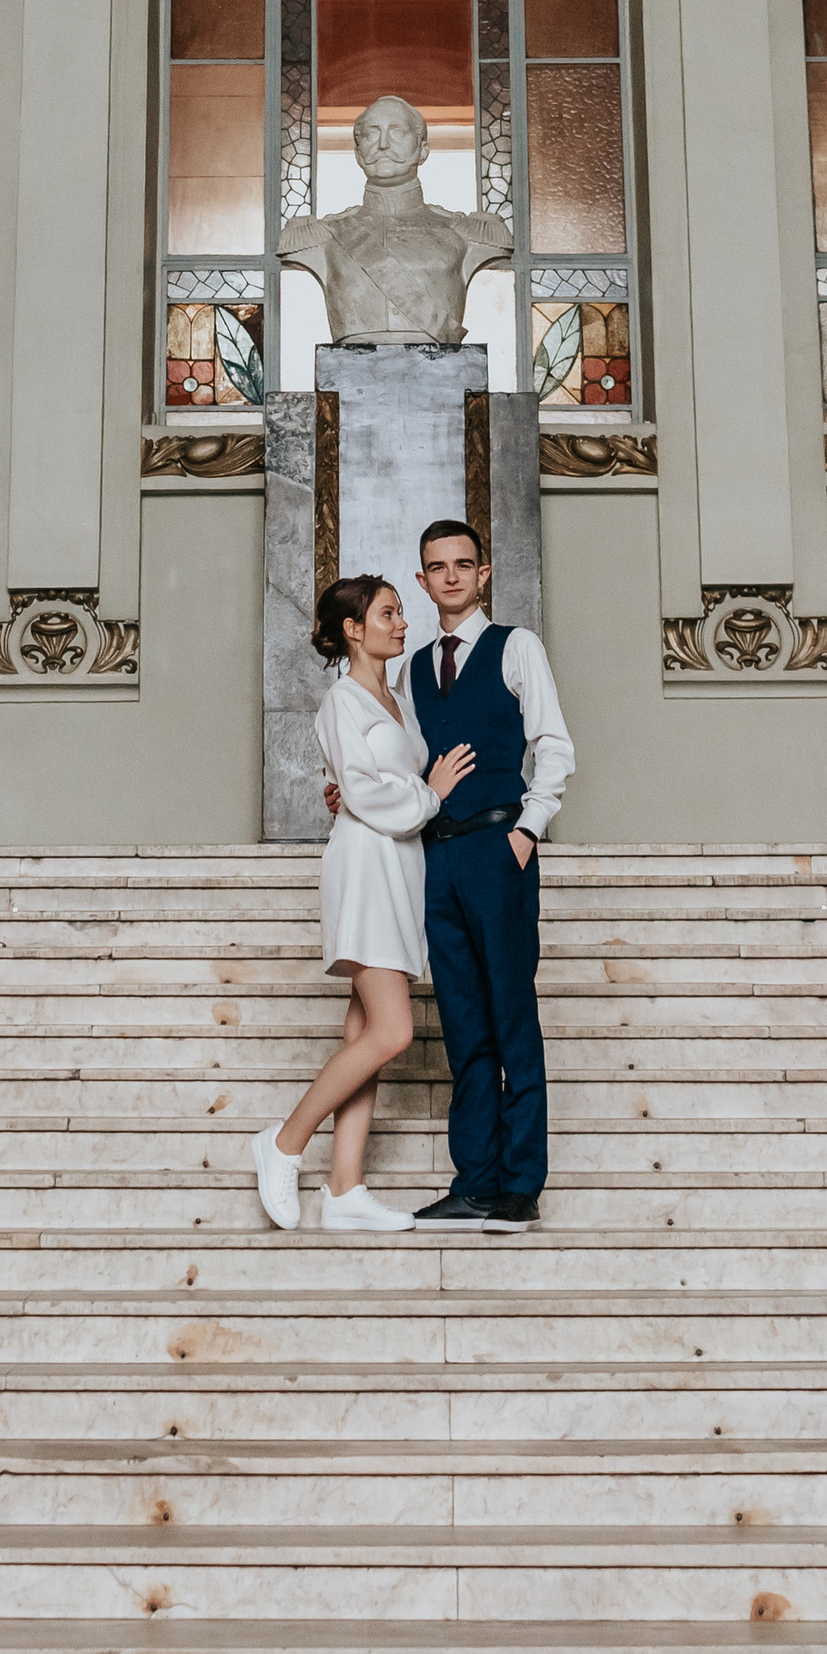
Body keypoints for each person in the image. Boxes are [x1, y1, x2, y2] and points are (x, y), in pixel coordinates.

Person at [252, 571, 474, 1237]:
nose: (403, 623)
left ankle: (345, 1185)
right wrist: (429, 793)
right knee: (393, 1031)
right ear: (353, 629)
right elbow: (365, 789)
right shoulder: (342, 700)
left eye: (402, 613)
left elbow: (360, 781)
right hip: (368, 862)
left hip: (401, 865)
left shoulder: (397, 697)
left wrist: (384, 790)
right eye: (387, 614)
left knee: (365, 1034)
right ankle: (284, 1142)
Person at [406, 518, 574, 1230]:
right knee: (462, 1021)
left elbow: (554, 744)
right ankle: (474, 1178)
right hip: (438, 857)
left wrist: (528, 831)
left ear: (484, 575)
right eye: (436, 567)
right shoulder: (414, 666)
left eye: (462, 564)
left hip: (499, 847)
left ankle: (519, 1186)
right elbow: (417, 764)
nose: (450, 576)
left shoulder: (516, 646)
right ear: (421, 581)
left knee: (510, 1016)